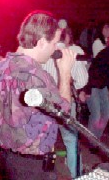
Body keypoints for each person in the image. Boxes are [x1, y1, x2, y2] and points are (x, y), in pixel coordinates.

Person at [0, 11, 76, 180]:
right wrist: (65, 73)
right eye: (54, 43)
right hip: (34, 166)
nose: (55, 48)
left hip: (5, 160)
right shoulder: (39, 77)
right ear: (41, 42)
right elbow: (63, 114)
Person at [42, 25, 88, 178]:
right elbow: (82, 81)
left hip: (44, 104)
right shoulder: (71, 54)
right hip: (65, 103)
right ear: (67, 36)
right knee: (71, 142)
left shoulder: (42, 54)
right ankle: (76, 175)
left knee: (45, 142)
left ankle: (47, 175)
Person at [83, 31, 109, 148]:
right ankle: (92, 142)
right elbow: (92, 71)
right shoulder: (107, 53)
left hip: (103, 86)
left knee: (107, 113)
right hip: (93, 85)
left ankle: (95, 140)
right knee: (96, 115)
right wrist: (87, 90)